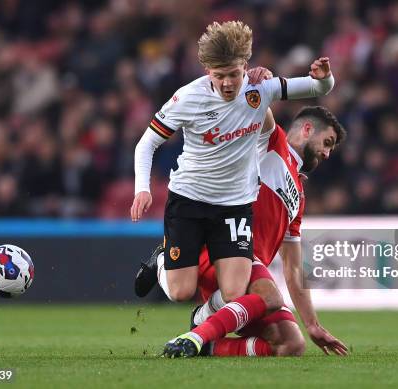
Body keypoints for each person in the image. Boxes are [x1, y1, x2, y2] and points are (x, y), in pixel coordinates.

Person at [131, 20, 335, 358]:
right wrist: (143, 188)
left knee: (237, 290)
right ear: (207, 70)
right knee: (181, 292)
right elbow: (146, 143)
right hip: (190, 200)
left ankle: (202, 326)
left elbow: (319, 88)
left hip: (235, 206)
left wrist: (324, 75)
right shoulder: (187, 98)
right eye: (220, 75)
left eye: (234, 74)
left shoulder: (259, 90)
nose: (228, 83)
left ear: (246, 66)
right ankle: (161, 261)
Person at [137, 106, 348, 357]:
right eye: (327, 142)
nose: (326, 153)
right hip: (222, 248)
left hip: (247, 275)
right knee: (270, 296)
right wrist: (260, 80)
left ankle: (206, 340)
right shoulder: (273, 143)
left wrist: (313, 324)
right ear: (307, 129)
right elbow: (258, 105)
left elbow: (292, 267)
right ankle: (195, 333)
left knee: (291, 345)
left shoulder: (299, 197)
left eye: (331, 149)